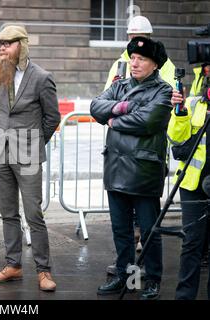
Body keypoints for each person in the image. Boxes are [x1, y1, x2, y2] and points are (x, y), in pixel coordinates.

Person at [90, 36, 172, 300]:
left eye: (141, 59)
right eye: (132, 58)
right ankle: (127, 278)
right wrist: (122, 107)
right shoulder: (120, 85)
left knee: (149, 230)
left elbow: (147, 121)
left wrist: (113, 121)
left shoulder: (164, 90)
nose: (134, 63)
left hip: (144, 171)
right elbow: (95, 107)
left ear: (155, 64)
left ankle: (152, 279)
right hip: (116, 167)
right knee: (121, 229)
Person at [0, 25, 60, 292]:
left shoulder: (41, 77)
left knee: (33, 214)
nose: (1, 48)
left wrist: (33, 143)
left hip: (27, 154)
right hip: (0, 153)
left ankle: (43, 270)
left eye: (7, 43)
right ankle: (13, 265)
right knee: (8, 214)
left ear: (22, 45)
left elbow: (53, 118)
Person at [168, 62, 210, 299]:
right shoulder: (194, 99)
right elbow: (176, 137)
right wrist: (179, 111)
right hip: (193, 184)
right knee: (192, 244)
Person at [104, 15, 176, 90]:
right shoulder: (119, 64)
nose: (134, 64)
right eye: (133, 39)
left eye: (140, 39)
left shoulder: (164, 63)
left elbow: (171, 92)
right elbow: (105, 95)